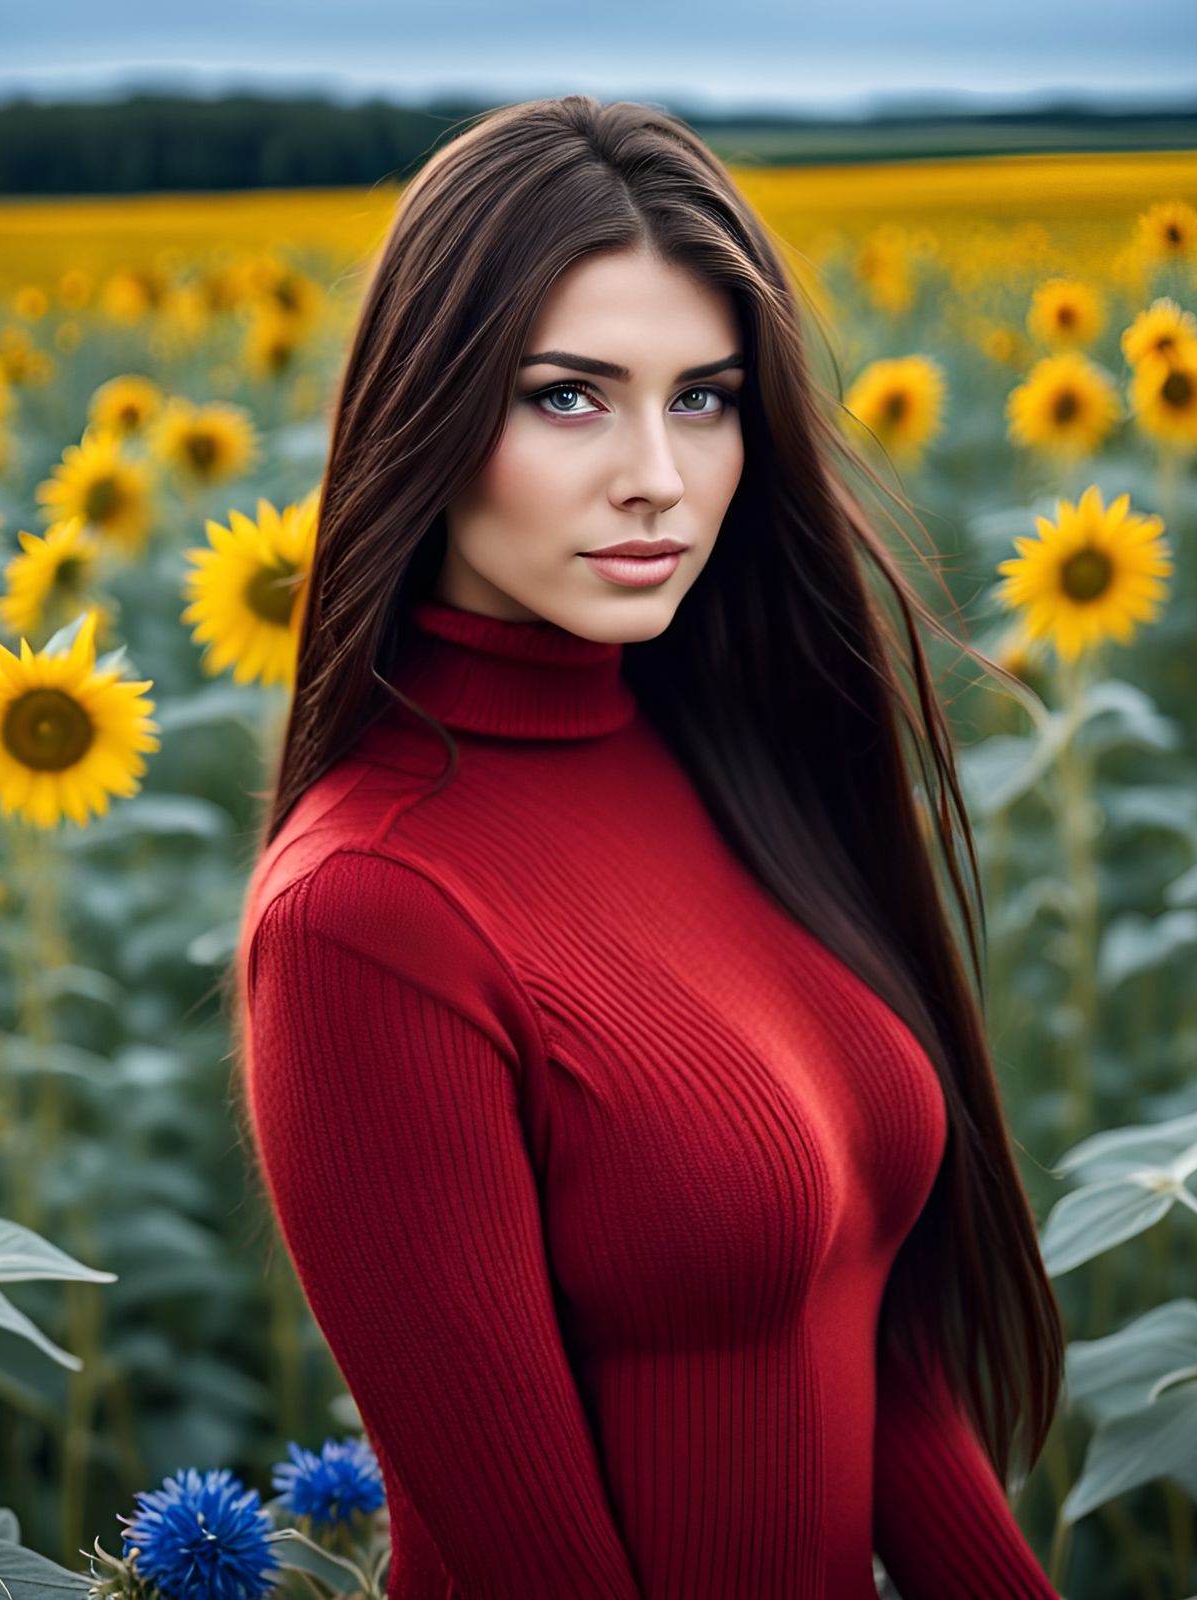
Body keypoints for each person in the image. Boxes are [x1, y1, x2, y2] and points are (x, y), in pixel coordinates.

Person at [230, 93, 1066, 1599]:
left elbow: (886, 1367)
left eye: (704, 398)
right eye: (569, 396)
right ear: (427, 409)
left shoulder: (728, 755)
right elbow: (521, 1566)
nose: (658, 479)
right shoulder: (365, 913)